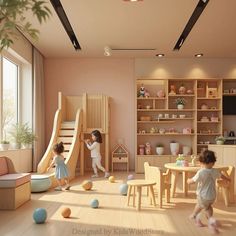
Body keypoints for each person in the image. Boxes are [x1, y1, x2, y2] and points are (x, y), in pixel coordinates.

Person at [187, 150, 230, 234]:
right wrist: (227, 179)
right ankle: (199, 219)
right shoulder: (214, 171)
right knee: (208, 207)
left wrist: (188, 181)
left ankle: (207, 220)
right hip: (212, 196)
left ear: (200, 162)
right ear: (213, 163)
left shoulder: (201, 172)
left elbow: (193, 181)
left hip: (203, 195)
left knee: (201, 205)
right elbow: (221, 175)